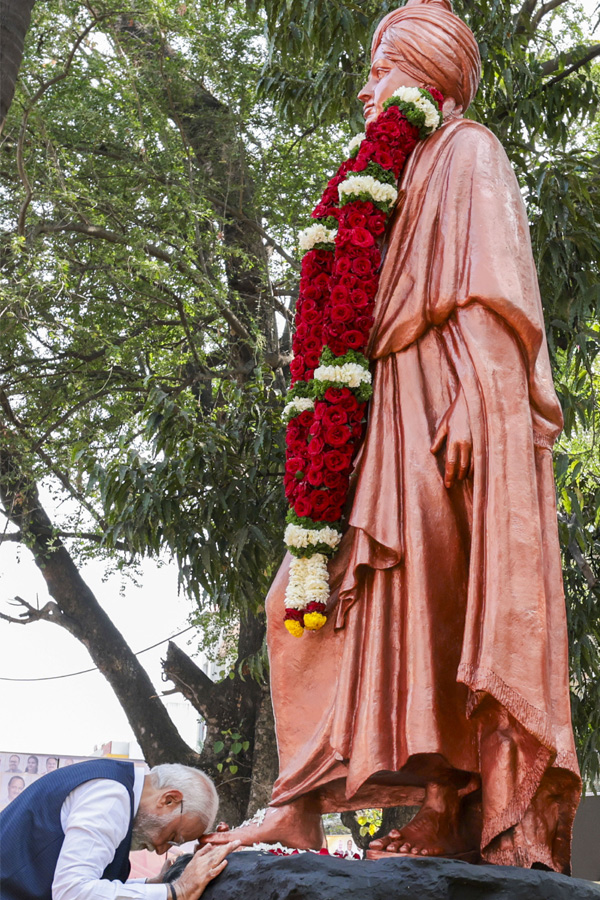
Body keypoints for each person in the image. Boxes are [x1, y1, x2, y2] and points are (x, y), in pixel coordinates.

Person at [203, 0, 581, 874]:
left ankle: (446, 802)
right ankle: (297, 806)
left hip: (444, 396)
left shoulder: (468, 152)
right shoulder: (384, 174)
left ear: (426, 71)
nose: (367, 85)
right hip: (379, 409)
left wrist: (477, 403)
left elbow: (496, 293)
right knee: (298, 605)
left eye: (381, 67)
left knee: (431, 598)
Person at [0, 758, 240, 899]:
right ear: (169, 799)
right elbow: (72, 891)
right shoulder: (110, 796)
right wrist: (175, 891)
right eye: (172, 837)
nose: (160, 850)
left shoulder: (115, 786)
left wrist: (151, 885)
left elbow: (88, 882)